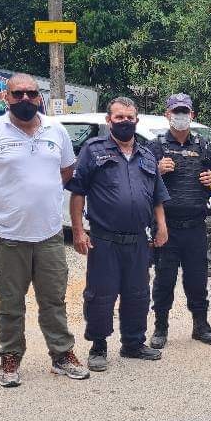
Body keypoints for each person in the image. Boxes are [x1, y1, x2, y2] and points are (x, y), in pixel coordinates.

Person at [0, 73, 89, 388]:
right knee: (11, 302)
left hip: (49, 235)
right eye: (19, 95)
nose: (26, 100)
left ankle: (61, 354)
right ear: (6, 98)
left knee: (54, 299)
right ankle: (10, 357)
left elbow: (67, 171)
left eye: (31, 93)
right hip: (9, 235)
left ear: (39, 97)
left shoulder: (56, 131)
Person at [68, 97, 169, 371]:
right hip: (104, 239)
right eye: (119, 117)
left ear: (137, 120)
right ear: (108, 120)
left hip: (138, 239)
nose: (125, 121)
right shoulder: (93, 150)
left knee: (137, 293)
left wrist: (162, 225)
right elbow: (78, 193)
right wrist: (78, 231)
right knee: (101, 295)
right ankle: (98, 346)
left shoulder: (147, 155)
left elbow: (158, 195)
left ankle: (133, 343)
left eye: (129, 117)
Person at [148, 93, 211, 349]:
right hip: (167, 226)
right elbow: (141, 178)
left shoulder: (202, 144)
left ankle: (200, 326)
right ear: (167, 114)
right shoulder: (156, 145)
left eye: (185, 111)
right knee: (164, 280)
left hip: (196, 225)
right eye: (175, 111)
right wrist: (157, 170)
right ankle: (160, 327)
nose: (180, 116)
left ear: (192, 115)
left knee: (197, 279)